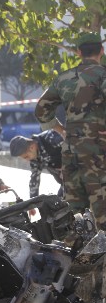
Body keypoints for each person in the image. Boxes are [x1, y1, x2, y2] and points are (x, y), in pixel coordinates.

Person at [35, 32, 106, 231]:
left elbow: (41, 110)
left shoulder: (64, 79)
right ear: (101, 50)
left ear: (78, 52)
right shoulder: (103, 76)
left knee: (74, 214)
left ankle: (73, 257)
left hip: (71, 150)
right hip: (98, 152)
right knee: (102, 211)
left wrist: (60, 129)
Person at [9, 132, 64, 198]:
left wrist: (66, 167)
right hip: (66, 182)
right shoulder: (34, 158)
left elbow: (75, 147)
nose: (27, 160)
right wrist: (32, 203)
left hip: (76, 172)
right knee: (59, 203)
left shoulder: (50, 139)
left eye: (26, 157)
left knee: (66, 201)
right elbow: (34, 181)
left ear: (31, 147)